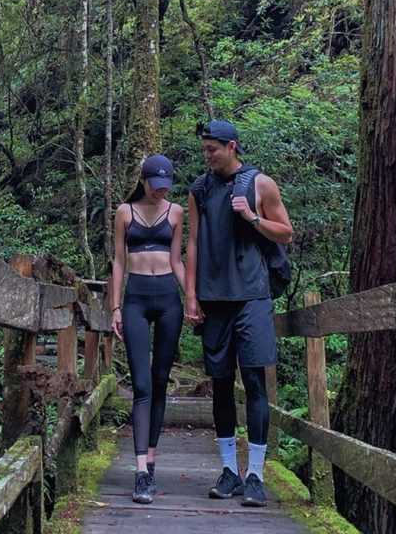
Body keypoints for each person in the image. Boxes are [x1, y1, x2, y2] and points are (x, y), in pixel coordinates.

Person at [185, 119, 293, 507]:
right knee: (220, 382)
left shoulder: (260, 184)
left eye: (212, 149)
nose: (207, 155)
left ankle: (256, 475)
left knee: (255, 381)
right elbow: (193, 241)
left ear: (232, 147)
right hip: (215, 300)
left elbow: (285, 232)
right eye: (204, 150)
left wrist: (252, 217)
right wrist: (191, 296)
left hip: (252, 297)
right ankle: (229, 469)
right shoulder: (199, 189)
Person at [110, 154, 185, 505]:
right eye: (155, 186)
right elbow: (119, 261)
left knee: (159, 381)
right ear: (143, 181)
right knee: (141, 384)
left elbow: (177, 260)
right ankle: (140, 471)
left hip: (169, 296)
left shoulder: (177, 212)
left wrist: (194, 298)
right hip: (136, 298)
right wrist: (114, 306)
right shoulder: (125, 213)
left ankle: (151, 459)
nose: (159, 192)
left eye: (165, 186)